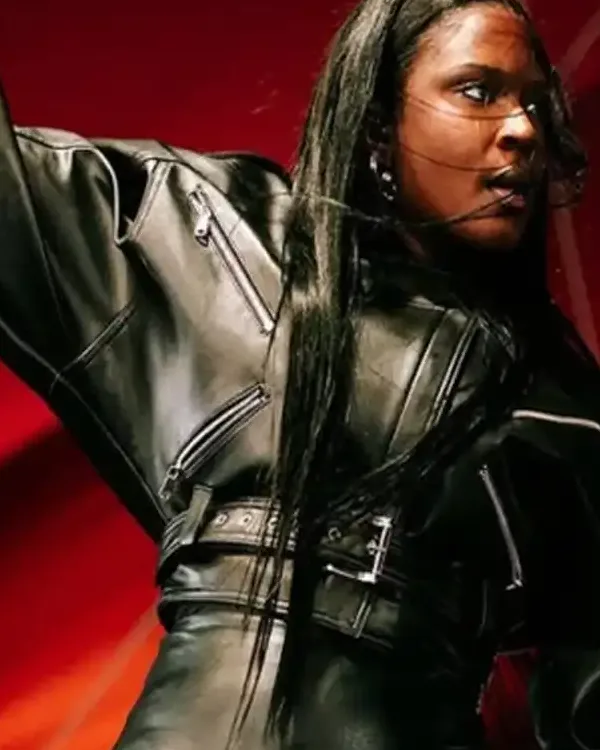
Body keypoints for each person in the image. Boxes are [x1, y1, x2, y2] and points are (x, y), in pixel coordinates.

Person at [1, 0, 599, 748]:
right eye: (478, 91)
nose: (523, 129)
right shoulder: (211, 238)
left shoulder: (564, 412)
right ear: (378, 124)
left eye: (536, 104)